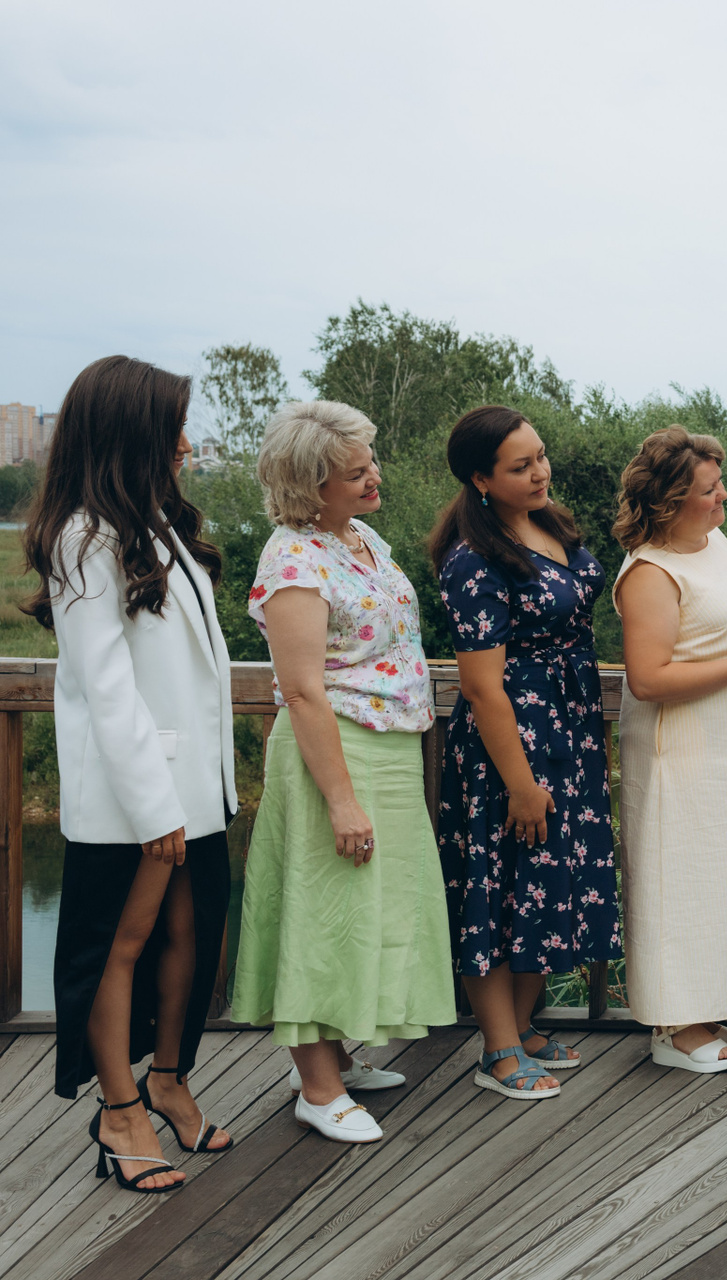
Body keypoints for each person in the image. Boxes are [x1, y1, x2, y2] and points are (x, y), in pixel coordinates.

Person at [29, 356, 237, 1191]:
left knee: (191, 937)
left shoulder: (158, 525)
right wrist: (154, 807)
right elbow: (106, 687)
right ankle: (119, 1112)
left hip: (195, 785)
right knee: (120, 948)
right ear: (132, 431)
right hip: (136, 792)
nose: (185, 442)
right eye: (173, 426)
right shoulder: (85, 537)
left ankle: (168, 1082)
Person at [229, 401, 457, 1143]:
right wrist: (340, 800)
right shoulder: (293, 559)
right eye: (355, 473)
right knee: (323, 913)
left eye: (370, 463)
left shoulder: (360, 537)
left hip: (387, 748)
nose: (373, 478)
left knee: (368, 910)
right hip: (337, 754)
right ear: (310, 486)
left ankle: (339, 1060)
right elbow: (301, 690)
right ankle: (317, 1088)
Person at [430, 406, 621, 1099]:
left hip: (569, 730)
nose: (540, 472)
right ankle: (498, 1049)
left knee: (549, 878)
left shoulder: (551, 525)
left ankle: (521, 1026)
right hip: (512, 741)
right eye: (521, 466)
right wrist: (518, 782)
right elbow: (482, 687)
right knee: (499, 884)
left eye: (540, 456)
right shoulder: (472, 559)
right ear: (481, 479)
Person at [615, 426, 727, 1073]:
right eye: (709, 490)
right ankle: (674, 1025)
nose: (723, 496)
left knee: (720, 879)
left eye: (720, 483)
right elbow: (648, 678)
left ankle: (711, 1007)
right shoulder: (651, 571)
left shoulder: (716, 545)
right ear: (670, 501)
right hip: (677, 747)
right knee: (676, 877)